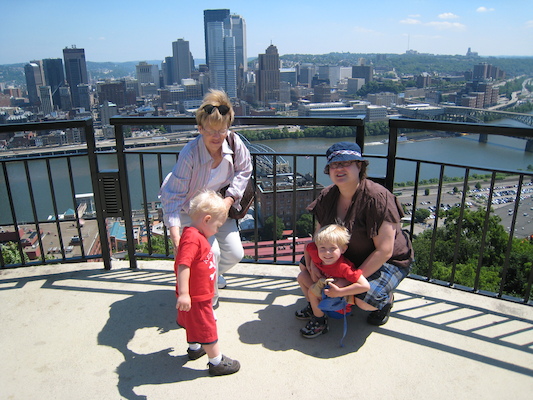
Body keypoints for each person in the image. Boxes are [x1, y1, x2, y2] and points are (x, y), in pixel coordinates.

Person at [296, 142, 413, 326]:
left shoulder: (377, 198)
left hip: (385, 259)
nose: (339, 169)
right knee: (305, 267)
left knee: (365, 300)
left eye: (346, 163)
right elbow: (319, 236)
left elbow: (384, 251)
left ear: (359, 166)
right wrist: (312, 265)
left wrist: (347, 281)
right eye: (335, 164)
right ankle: (318, 304)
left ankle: (386, 300)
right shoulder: (327, 196)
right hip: (346, 254)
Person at [159, 89, 252, 301]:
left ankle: (212, 274)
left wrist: (228, 201)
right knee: (212, 254)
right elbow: (173, 197)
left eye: (222, 130)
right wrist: (175, 236)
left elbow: (244, 170)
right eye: (211, 130)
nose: (217, 136)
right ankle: (208, 302)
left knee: (235, 253)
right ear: (200, 129)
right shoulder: (190, 154)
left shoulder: (235, 144)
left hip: (218, 206)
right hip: (188, 210)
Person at [175, 190, 240, 376]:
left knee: (193, 323)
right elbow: (183, 264)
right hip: (197, 297)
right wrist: (185, 294)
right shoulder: (193, 239)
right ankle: (216, 362)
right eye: (218, 225)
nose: (218, 230)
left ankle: (195, 348)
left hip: (197, 294)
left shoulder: (194, 235)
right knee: (207, 328)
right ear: (207, 219)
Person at [297, 224, 370, 338]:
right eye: (323, 248)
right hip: (325, 289)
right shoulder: (317, 254)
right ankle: (313, 307)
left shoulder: (343, 267)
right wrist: (310, 266)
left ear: (343, 249)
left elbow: (365, 286)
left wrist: (340, 292)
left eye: (332, 248)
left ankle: (320, 322)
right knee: (302, 276)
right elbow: (308, 246)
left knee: (312, 291)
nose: (327, 253)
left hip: (337, 301)